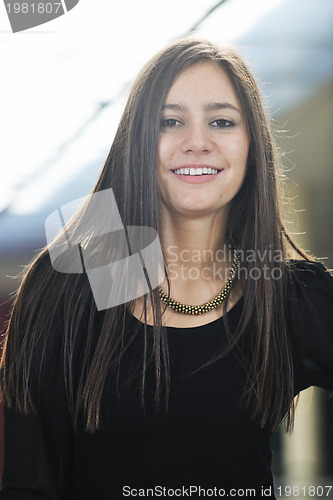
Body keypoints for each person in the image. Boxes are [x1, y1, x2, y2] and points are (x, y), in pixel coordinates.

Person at [1, 37, 332, 499]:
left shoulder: (290, 297)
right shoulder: (66, 286)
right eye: (170, 122)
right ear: (137, 142)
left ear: (252, 145)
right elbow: (24, 484)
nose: (197, 142)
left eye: (221, 121)